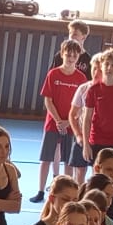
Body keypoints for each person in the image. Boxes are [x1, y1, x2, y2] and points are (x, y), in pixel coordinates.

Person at [34, 40, 88, 202]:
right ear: (62, 54)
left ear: (78, 57)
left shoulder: (81, 78)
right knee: (46, 158)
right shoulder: (53, 74)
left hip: (71, 125)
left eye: (74, 56)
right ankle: (41, 191)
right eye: (68, 54)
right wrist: (58, 120)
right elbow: (48, 100)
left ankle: (67, 193)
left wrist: (69, 121)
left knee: (68, 162)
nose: (71, 58)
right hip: (53, 123)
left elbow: (83, 106)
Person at [75, 49, 113, 189]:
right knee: (98, 177)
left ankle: (109, 195)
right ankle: (97, 196)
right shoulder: (93, 90)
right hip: (98, 139)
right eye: (106, 64)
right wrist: (86, 144)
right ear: (101, 65)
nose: (109, 68)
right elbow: (87, 118)